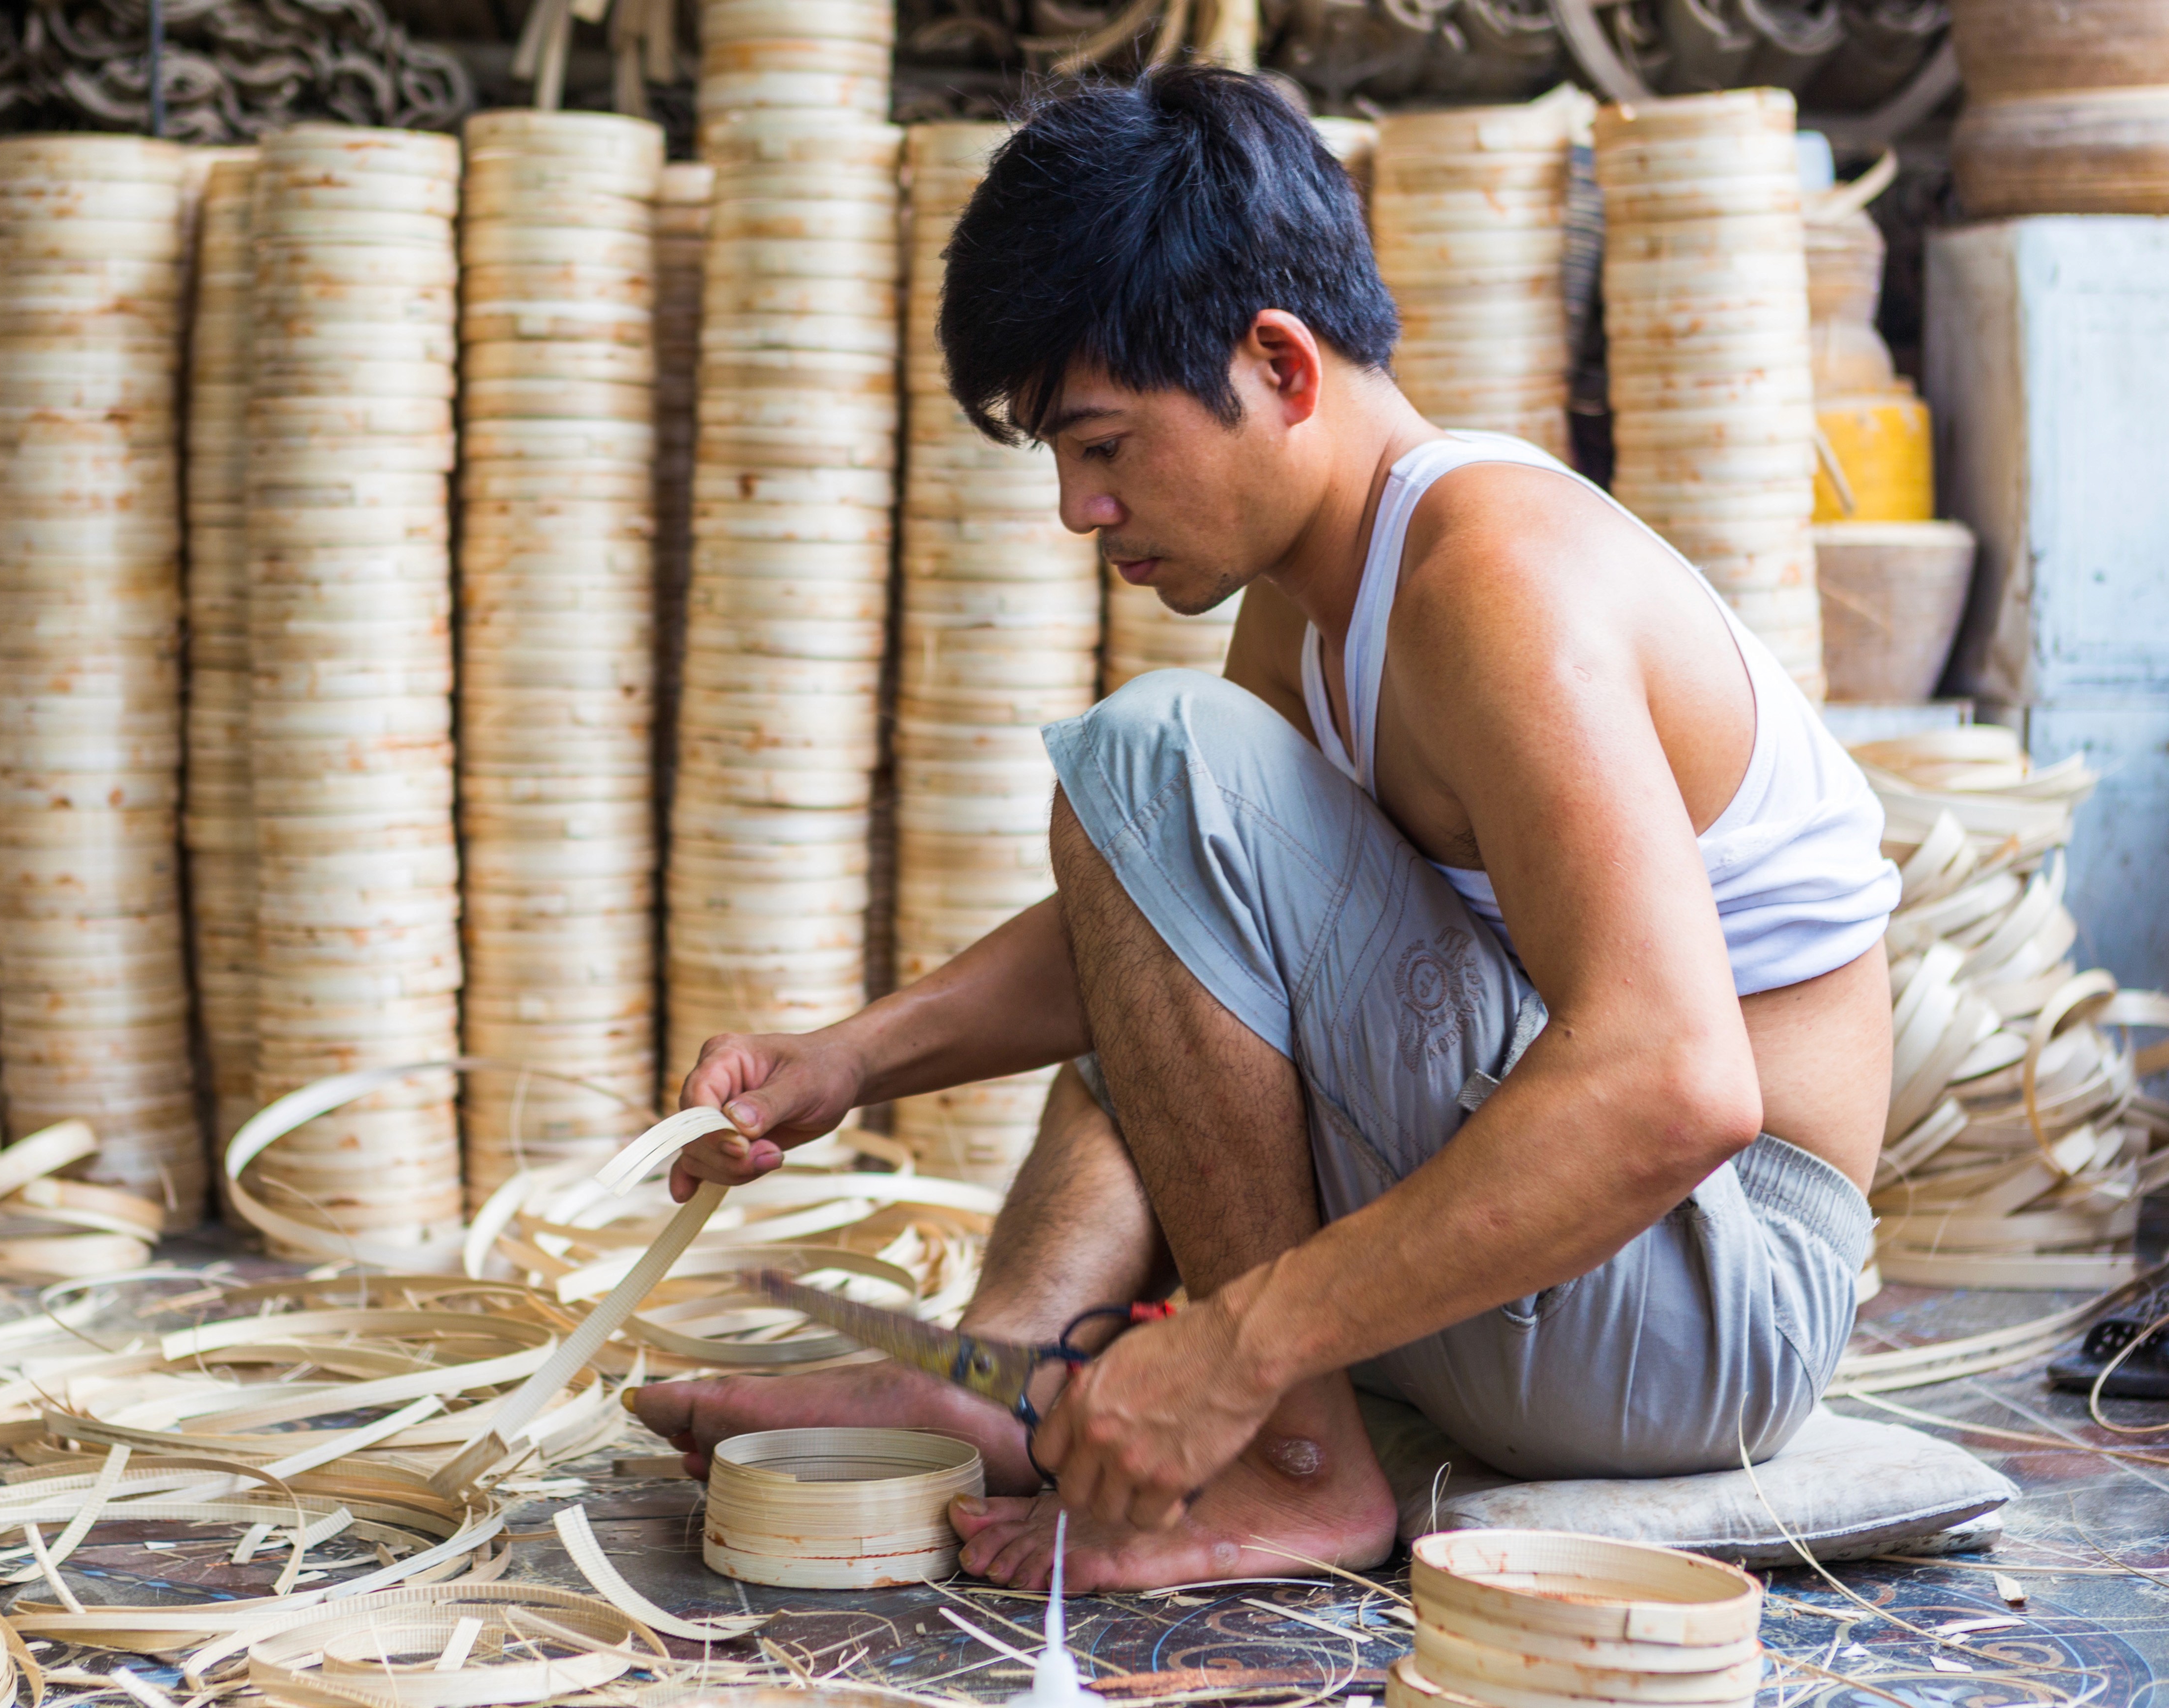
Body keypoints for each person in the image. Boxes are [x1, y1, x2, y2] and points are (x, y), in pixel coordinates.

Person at [631, 65, 1897, 1592]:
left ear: (1281, 367)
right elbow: (1170, 925)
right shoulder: (1317, 612)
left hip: (1718, 1308)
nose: (1078, 513)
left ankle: (1298, 1468)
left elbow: (1675, 1088)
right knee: (1175, 893)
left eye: (1100, 445)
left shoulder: (1498, 584)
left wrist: (1235, 1352)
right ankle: (1007, 1374)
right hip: (1608, 1288)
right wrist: (854, 1055)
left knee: (1157, 761)